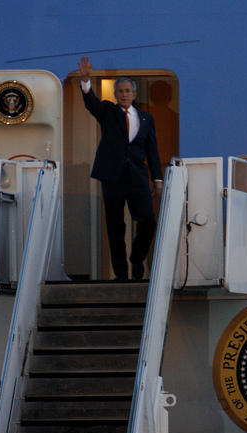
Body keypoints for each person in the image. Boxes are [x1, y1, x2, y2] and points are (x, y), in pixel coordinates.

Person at [78, 56, 163, 280]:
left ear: (135, 94)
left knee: (148, 220)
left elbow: (152, 150)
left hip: (137, 177)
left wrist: (157, 179)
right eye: (120, 91)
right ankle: (122, 275)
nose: (124, 94)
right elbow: (91, 104)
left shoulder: (146, 118)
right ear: (116, 95)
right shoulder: (108, 111)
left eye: (128, 91)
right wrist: (85, 81)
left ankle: (136, 259)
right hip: (112, 177)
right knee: (115, 227)